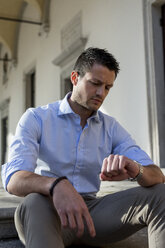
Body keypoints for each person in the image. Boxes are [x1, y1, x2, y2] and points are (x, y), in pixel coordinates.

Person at [1, 47, 165, 248]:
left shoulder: (110, 127)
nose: (100, 93)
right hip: (48, 211)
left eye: (107, 87)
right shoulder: (36, 118)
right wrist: (57, 185)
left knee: (161, 194)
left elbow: (157, 175)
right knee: (34, 202)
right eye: (95, 83)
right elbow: (14, 178)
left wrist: (136, 169)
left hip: (92, 214)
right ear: (74, 78)